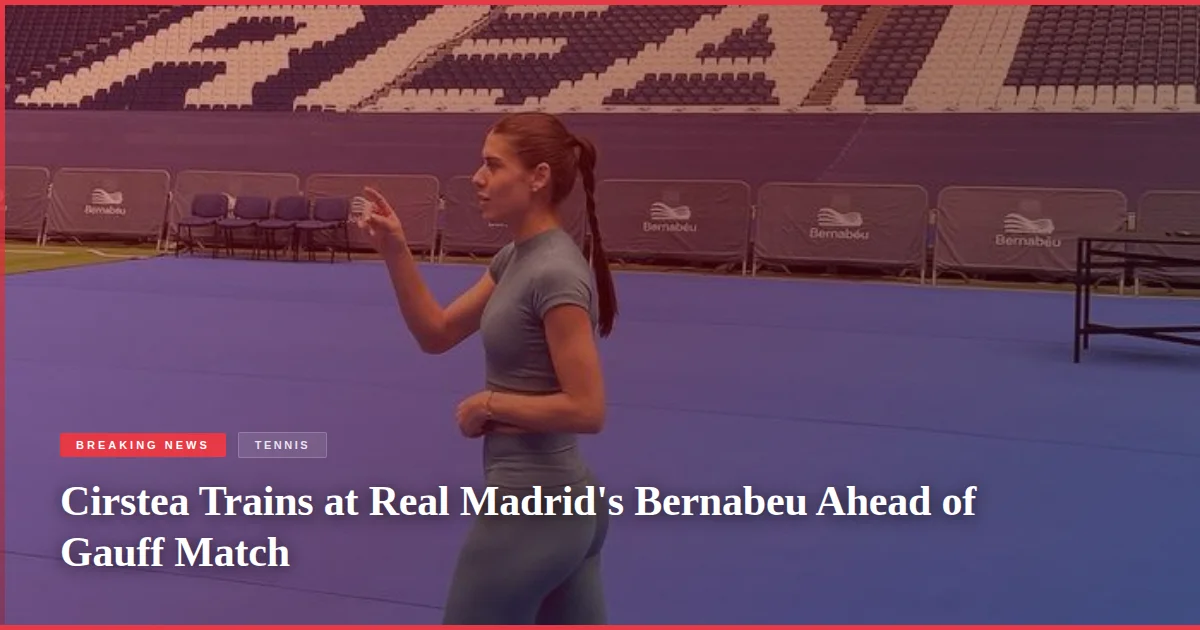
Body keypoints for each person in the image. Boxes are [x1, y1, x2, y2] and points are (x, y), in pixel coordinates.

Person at [355, 111, 618, 624]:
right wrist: (394, 248)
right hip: (561, 505)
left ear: (537, 177)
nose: (478, 178)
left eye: (492, 165)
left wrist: (489, 404)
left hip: (534, 507)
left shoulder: (555, 273)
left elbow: (588, 408)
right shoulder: (516, 258)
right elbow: (437, 333)